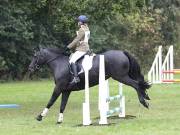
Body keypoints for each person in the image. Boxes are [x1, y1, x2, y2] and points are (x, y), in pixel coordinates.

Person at [66, 15, 90, 85]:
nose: (77, 22)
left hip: (82, 49)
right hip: (86, 47)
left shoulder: (81, 29)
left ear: (81, 22)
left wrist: (68, 47)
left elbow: (76, 39)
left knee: (72, 61)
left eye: (78, 21)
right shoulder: (87, 28)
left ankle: (76, 78)